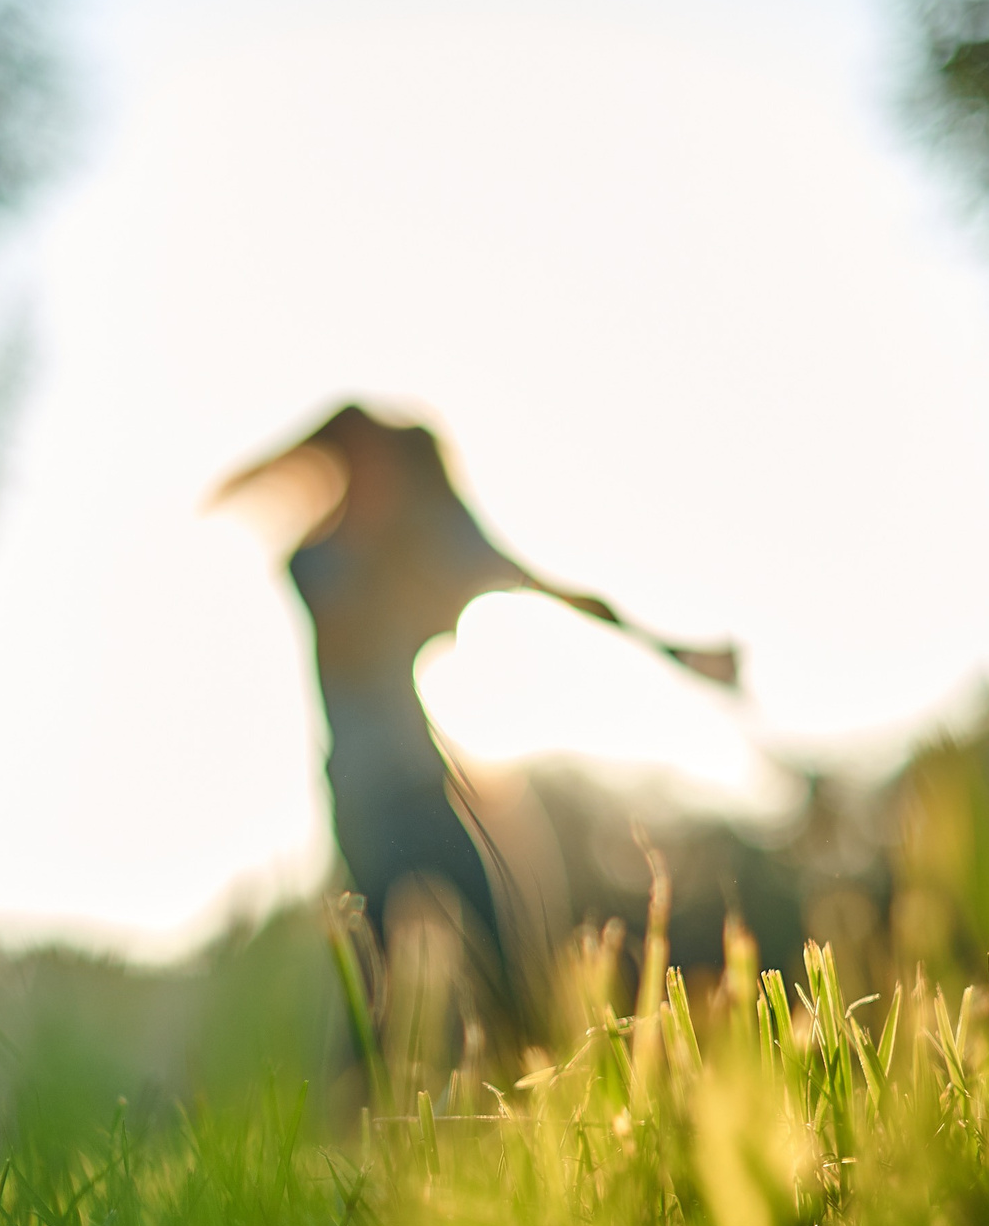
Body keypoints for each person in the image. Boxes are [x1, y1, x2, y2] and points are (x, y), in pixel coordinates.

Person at [219, 403, 738, 983]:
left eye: (384, 467)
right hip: (364, 799)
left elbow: (541, 584)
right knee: (377, 974)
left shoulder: (420, 541)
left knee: (506, 952)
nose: (376, 481)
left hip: (425, 782)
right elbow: (347, 639)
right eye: (364, 464)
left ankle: (529, 1026)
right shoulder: (316, 561)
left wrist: (674, 650)